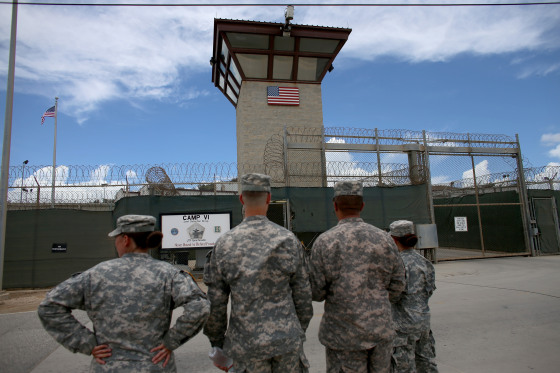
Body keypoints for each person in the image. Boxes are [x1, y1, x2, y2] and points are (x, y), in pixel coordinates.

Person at [38, 214, 210, 372]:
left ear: (125, 239)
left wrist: (87, 343)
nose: (115, 243)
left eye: (116, 238)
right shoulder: (169, 274)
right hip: (155, 365)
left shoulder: (95, 274)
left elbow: (49, 306)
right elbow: (200, 306)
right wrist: (171, 341)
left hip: (108, 365)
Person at [203, 173, 313, 372]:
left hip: (245, 344)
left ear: (241, 199)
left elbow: (216, 305)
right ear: (269, 198)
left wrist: (217, 345)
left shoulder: (225, 244)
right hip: (286, 342)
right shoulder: (289, 241)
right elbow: (304, 298)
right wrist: (297, 332)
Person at [308, 180, 406, 373]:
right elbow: (398, 284)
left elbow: (316, 291)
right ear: (362, 206)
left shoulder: (325, 242)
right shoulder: (385, 239)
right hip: (380, 330)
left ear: (335, 206)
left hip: (343, 335)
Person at [389, 220, 438, 373]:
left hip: (403, 327)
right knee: (426, 364)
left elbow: (393, 296)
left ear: (394, 240)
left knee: (404, 367)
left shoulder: (397, 265)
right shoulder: (425, 263)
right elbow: (428, 292)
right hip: (423, 323)